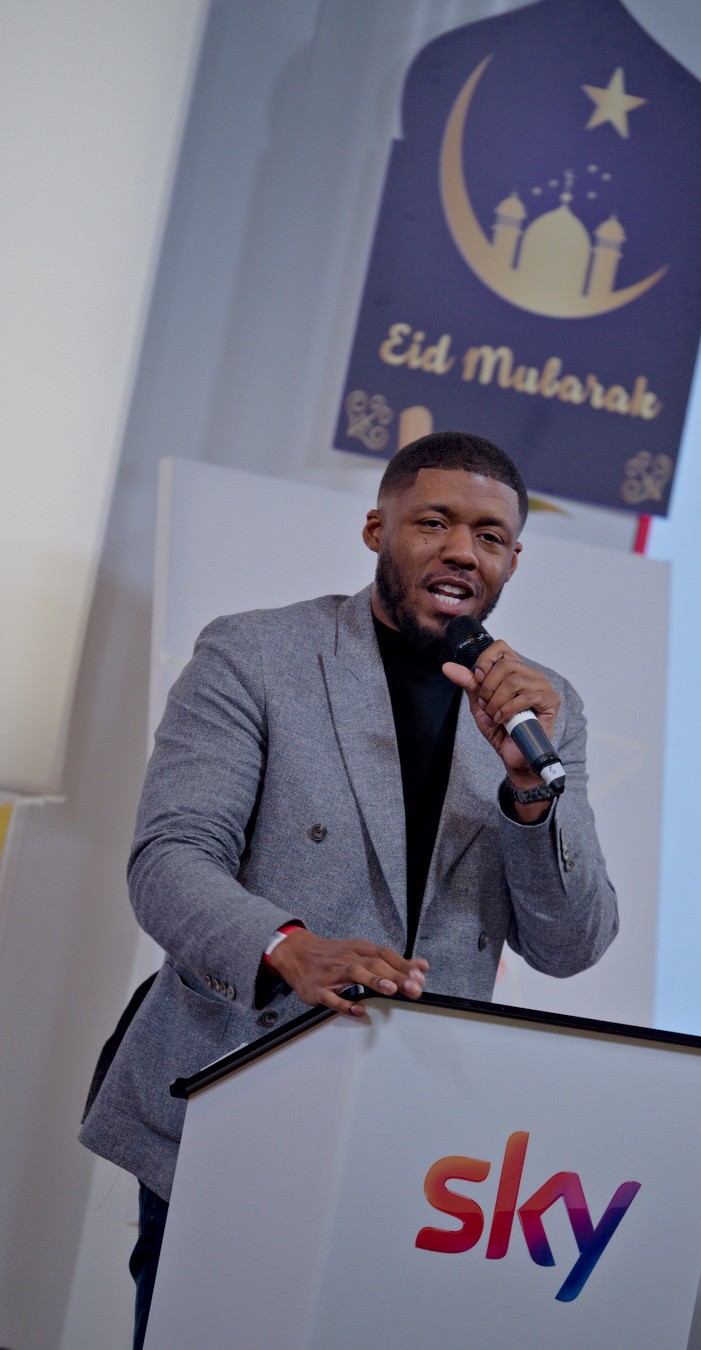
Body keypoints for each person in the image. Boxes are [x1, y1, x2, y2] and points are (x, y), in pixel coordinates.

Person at [80, 431, 617, 1346]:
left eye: (489, 536)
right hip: (239, 1095)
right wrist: (287, 947)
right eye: (434, 522)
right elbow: (170, 859)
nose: (462, 550)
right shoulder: (257, 653)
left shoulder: (540, 707)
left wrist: (531, 790)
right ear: (377, 529)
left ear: (513, 562)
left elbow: (570, 945)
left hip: (418, 1148)